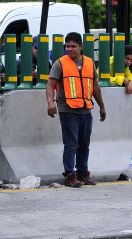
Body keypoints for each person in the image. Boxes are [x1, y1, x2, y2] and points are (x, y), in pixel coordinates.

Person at [46, 32, 107, 187]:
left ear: (81, 47)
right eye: (67, 46)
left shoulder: (89, 63)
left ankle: (83, 173)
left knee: (84, 144)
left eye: (73, 46)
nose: (70, 49)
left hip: (86, 109)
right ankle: (69, 175)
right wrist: (50, 102)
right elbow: (51, 84)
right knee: (71, 144)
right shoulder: (60, 63)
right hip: (68, 110)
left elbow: (95, 87)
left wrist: (102, 106)